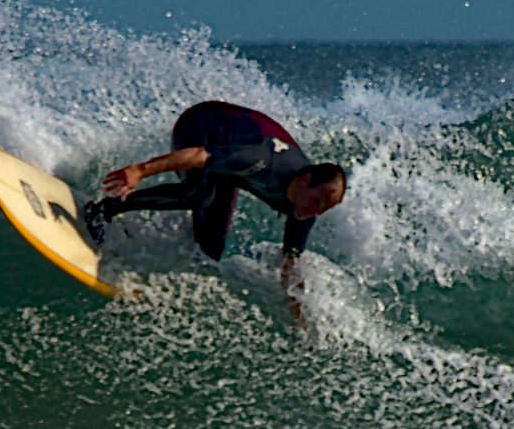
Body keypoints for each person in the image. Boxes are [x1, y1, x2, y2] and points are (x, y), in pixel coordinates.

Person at [82, 101, 345, 293]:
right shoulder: (262, 160)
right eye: (316, 203)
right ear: (305, 181)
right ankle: (102, 211)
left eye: (324, 209)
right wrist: (140, 170)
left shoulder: (305, 206)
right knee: (199, 193)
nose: (315, 213)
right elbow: (198, 156)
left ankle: (145, 245)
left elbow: (290, 261)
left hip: (230, 167)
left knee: (210, 250)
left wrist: (299, 318)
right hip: (203, 126)